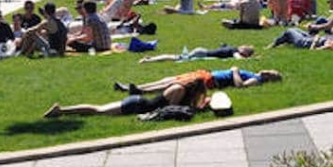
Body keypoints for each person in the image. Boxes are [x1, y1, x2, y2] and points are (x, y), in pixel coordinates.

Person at [43, 79, 207, 119]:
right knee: (98, 111)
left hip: (139, 103)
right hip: (137, 106)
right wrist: (196, 109)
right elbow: (172, 109)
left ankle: (62, 110)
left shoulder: (179, 86)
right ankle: (61, 110)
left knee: (98, 109)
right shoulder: (179, 89)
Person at [118, 66, 281, 95]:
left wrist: (235, 71)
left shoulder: (257, 79)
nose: (268, 70)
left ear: (269, 78)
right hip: (206, 75)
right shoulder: (255, 73)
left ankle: (141, 91)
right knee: (170, 79)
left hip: (210, 81)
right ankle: (136, 87)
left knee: (174, 84)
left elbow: (241, 86)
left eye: (272, 73)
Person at [138, 45, 255, 63]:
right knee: (175, 58)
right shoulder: (234, 50)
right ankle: (149, 60)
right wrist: (251, 59)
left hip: (202, 51)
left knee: (176, 57)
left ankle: (151, 59)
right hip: (201, 54)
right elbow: (238, 59)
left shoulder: (231, 48)